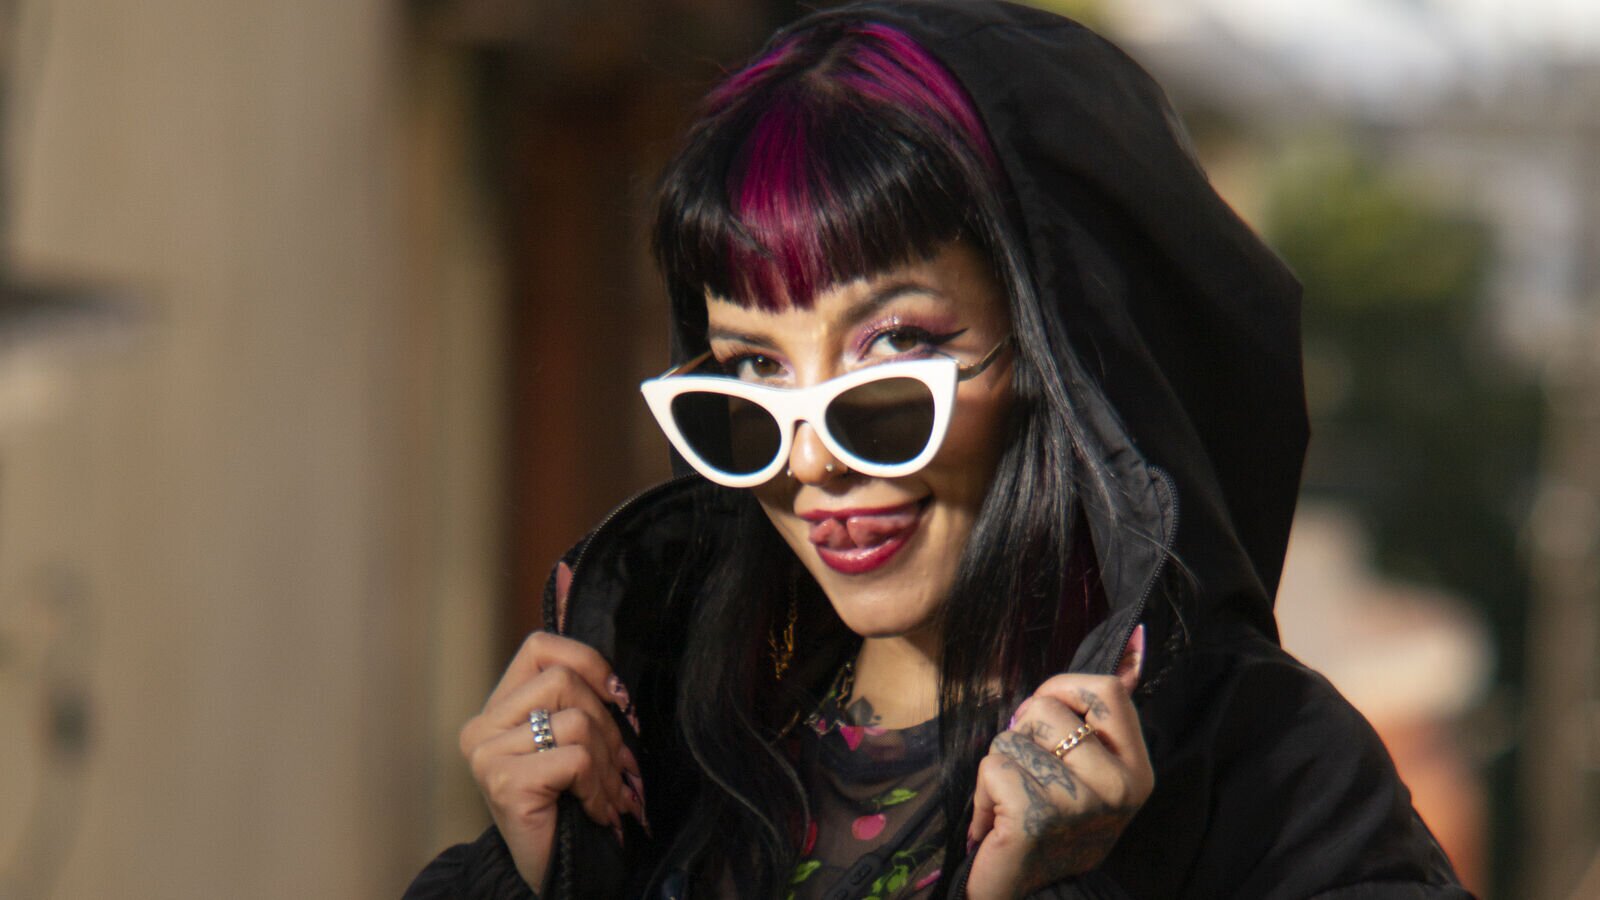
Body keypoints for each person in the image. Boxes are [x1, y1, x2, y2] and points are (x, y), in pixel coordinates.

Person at [407, 2, 1472, 898]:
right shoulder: (663, 751)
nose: (813, 460)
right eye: (754, 370)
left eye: (895, 351)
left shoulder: (1262, 779)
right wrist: (541, 874)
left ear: (1058, 360)